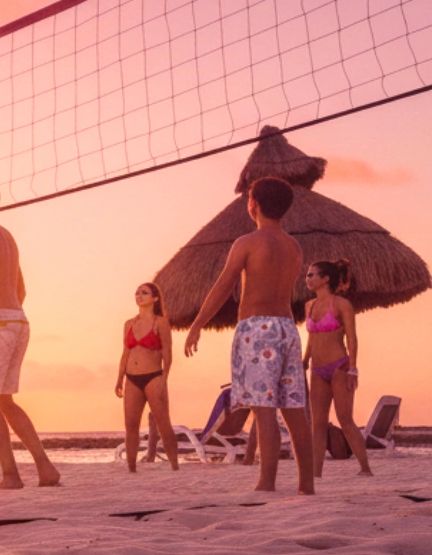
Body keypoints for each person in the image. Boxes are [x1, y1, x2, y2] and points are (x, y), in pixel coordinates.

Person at [185, 176, 313, 494]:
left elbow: (224, 285)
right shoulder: (293, 246)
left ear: (252, 204)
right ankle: (306, 485)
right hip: (287, 329)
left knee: (263, 409)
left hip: (257, 330)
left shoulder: (247, 242)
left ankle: (266, 483)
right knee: (295, 411)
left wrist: (198, 323)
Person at [0, 179, 60, 488]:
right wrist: (9, 314)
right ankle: (45, 468)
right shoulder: (7, 235)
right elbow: (21, 289)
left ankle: (10, 475)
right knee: (5, 401)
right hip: (19, 321)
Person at [302, 258, 372, 478]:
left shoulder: (341, 304)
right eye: (307, 275)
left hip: (339, 366)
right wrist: (305, 361)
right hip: (317, 369)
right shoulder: (309, 306)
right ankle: (316, 473)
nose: (308, 279)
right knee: (318, 423)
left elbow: (352, 337)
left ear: (326, 279)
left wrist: (353, 368)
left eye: (312, 275)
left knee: (345, 419)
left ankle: (365, 468)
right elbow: (312, 338)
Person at [116, 281, 176, 473]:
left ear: (154, 298)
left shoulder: (161, 323)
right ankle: (131, 469)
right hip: (131, 378)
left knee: (163, 423)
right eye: (137, 293)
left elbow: (168, 355)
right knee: (131, 425)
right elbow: (125, 353)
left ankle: (175, 466)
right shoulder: (128, 324)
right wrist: (119, 379)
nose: (139, 296)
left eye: (144, 293)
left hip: (153, 377)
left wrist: (164, 380)